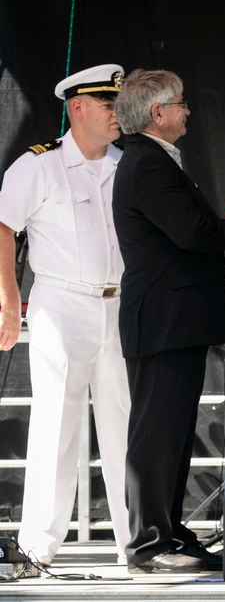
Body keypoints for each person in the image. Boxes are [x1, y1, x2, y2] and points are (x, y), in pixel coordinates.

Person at [112, 69, 225, 574]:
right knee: (156, 433)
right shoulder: (148, 163)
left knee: (171, 430)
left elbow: (195, 234)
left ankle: (169, 531)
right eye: (182, 103)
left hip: (176, 319)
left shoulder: (156, 161)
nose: (188, 111)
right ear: (157, 113)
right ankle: (149, 542)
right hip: (165, 319)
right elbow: (193, 233)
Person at [0, 64, 131, 566]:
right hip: (62, 303)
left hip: (121, 302)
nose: (118, 114)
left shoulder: (129, 163)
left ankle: (134, 544)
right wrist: (11, 302)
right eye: (108, 105)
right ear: (77, 108)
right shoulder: (39, 165)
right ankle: (39, 545)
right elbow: (3, 229)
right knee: (56, 423)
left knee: (127, 424)